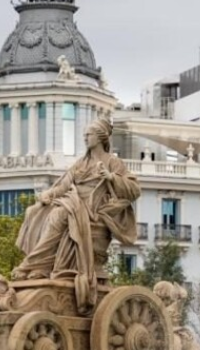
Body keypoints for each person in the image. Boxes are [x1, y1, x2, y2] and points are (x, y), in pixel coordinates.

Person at [13, 117, 140, 312]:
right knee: (34, 211)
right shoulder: (80, 163)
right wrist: (48, 194)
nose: (85, 138)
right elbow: (64, 185)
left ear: (100, 137)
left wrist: (111, 177)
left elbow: (134, 190)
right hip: (74, 202)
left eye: (89, 134)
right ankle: (40, 267)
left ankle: (31, 265)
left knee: (59, 214)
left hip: (93, 209)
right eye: (84, 135)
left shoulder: (113, 162)